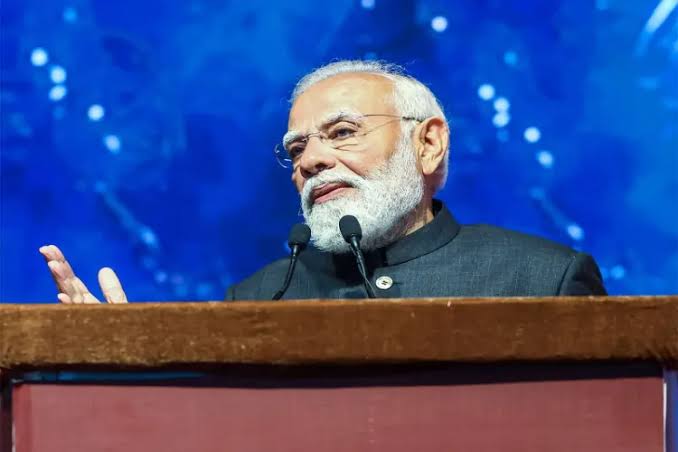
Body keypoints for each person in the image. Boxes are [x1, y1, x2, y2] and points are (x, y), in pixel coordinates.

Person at [39, 60, 606, 304]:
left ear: (428, 143)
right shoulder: (260, 298)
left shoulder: (544, 279)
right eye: (296, 149)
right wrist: (121, 361)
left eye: (342, 133)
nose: (310, 160)